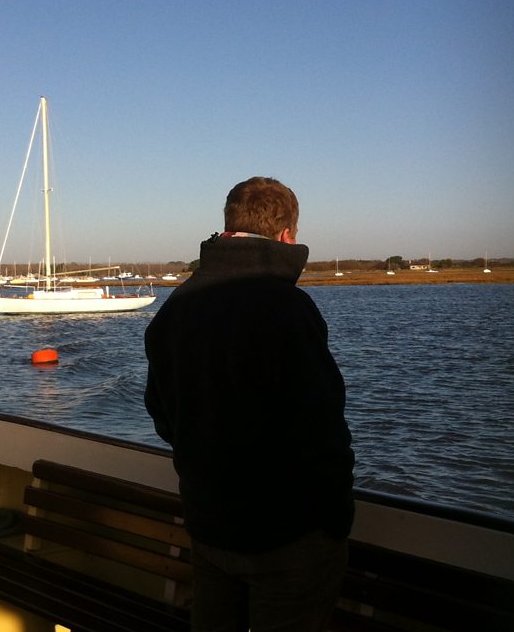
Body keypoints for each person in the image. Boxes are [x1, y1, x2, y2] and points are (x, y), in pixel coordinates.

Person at [144, 176, 355, 631]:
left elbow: (162, 414)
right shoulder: (288, 309)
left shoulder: (177, 305)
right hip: (290, 537)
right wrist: (334, 516)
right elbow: (322, 426)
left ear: (228, 225)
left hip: (209, 525)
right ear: (286, 235)